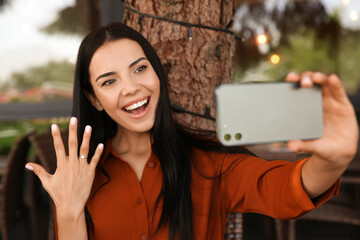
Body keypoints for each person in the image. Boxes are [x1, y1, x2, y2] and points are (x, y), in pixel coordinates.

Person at [25, 22, 358, 240]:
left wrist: (333, 160)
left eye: (140, 69)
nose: (131, 88)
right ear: (93, 99)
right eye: (109, 81)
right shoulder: (78, 177)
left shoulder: (208, 161)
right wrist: (68, 211)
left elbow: (285, 190)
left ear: (158, 76)